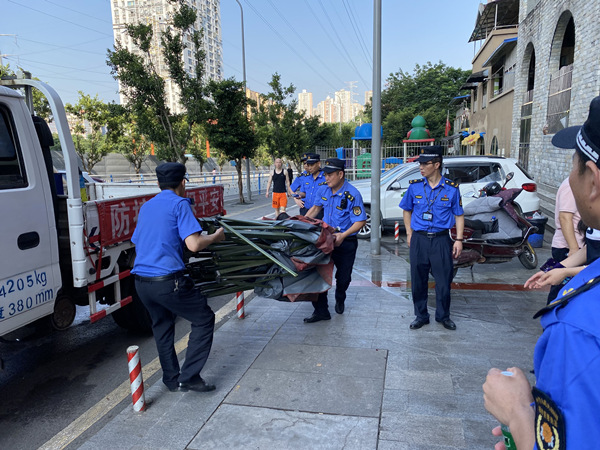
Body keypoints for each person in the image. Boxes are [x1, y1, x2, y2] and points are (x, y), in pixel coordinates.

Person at [483, 96, 600, 449]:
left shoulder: (579, 328)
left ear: (593, 180)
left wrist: (518, 415)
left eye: (574, 165)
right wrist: (563, 271)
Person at [132, 162, 225, 393]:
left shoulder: (147, 206)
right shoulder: (180, 204)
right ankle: (190, 377)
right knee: (203, 318)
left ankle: (172, 380)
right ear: (183, 182)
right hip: (167, 282)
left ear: (158, 183)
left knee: (162, 326)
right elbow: (194, 244)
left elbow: (139, 241)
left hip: (142, 283)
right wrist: (215, 237)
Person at [399, 145, 464, 331]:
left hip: (441, 240)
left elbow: (459, 214)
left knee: (443, 281)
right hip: (419, 239)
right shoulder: (415, 187)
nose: (421, 167)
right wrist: (409, 233)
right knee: (418, 280)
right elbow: (406, 210)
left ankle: (443, 316)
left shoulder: (451, 189)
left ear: (436, 165)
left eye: (425, 164)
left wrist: (459, 240)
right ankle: (421, 315)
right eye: (420, 164)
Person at [304, 158, 366, 322]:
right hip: (325, 240)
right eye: (325, 174)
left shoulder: (352, 194)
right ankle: (321, 311)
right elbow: (315, 209)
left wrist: (343, 235)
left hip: (346, 242)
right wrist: (301, 224)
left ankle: (340, 295)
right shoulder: (323, 190)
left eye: (330, 175)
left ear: (340, 174)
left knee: (343, 278)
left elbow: (360, 221)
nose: (326, 178)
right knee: (318, 275)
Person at [544, 178, 585, 301]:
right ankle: (553, 311)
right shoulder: (571, 185)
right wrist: (573, 248)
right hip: (568, 247)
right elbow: (565, 217)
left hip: (579, 246)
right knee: (561, 289)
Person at [298, 152, 326, 219]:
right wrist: (299, 195)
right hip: (306, 210)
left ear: (318, 164)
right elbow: (304, 192)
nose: (310, 168)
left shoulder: (325, 178)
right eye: (308, 165)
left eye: (312, 165)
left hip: (320, 212)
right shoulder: (306, 178)